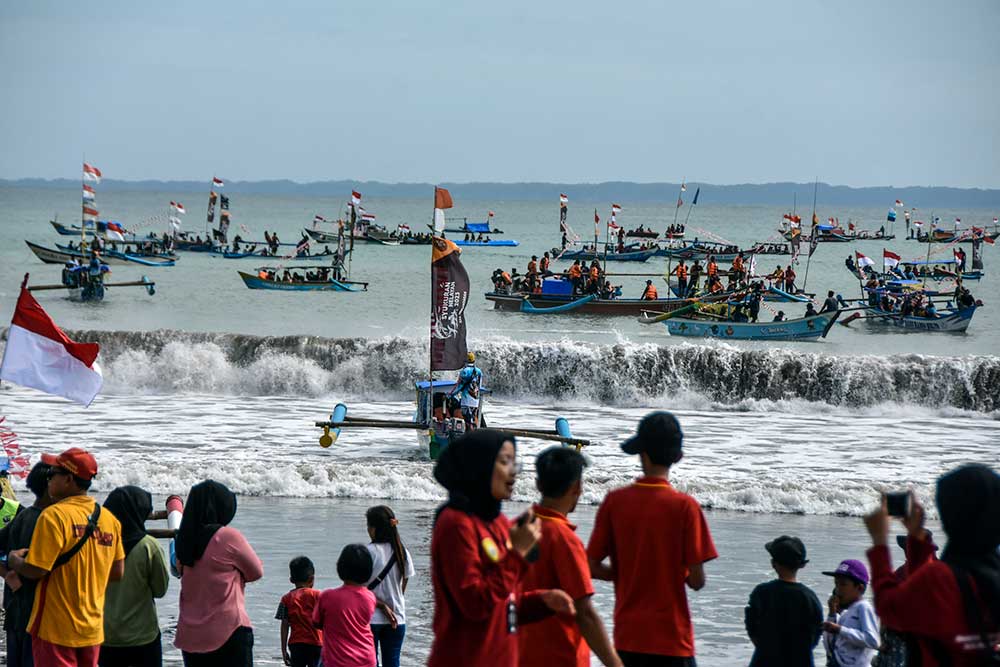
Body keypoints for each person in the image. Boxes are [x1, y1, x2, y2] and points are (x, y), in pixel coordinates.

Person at [427, 429, 575, 667]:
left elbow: (502, 602)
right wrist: (517, 555)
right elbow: (475, 604)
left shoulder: (498, 522)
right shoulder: (455, 523)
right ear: (480, 465)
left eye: (514, 462)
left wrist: (541, 601)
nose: (513, 472)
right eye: (504, 461)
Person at [587, 412, 717, 667]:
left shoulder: (615, 501)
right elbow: (698, 581)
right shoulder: (686, 507)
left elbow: (590, 565)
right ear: (678, 457)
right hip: (673, 643)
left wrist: (627, 573)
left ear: (642, 454)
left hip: (628, 640)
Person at [863, 465, 1000, 666]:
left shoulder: (940, 579)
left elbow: (889, 608)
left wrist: (879, 542)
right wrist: (918, 540)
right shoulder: (990, 572)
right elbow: (933, 605)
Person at [5, 448, 124, 667]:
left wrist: (14, 560)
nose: (48, 479)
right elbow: (117, 572)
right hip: (92, 626)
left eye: (52, 474)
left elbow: (36, 569)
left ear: (69, 479)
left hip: (55, 627)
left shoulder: (53, 516)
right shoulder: (108, 519)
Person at [518, 448, 622, 667]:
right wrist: (615, 663)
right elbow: (585, 613)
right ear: (577, 488)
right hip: (558, 656)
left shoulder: (515, 528)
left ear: (537, 484)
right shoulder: (564, 539)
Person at [174, 480, 263, 666]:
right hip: (229, 631)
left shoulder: (184, 540)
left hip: (191, 636)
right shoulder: (228, 536)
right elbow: (256, 571)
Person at [100, 486, 170, 667]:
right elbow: (160, 590)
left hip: (103, 634)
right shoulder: (149, 546)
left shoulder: (97, 543)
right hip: (142, 635)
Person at [0, 462, 52, 667]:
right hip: (40, 614)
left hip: (15, 607)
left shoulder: (22, 515)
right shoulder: (51, 521)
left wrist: (8, 576)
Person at [744, 536, 823, 667]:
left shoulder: (762, 592)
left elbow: (751, 625)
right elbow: (816, 632)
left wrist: (765, 648)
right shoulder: (810, 597)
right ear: (802, 565)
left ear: (773, 563)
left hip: (764, 660)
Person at [365, 506, 415, 667]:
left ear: (373, 529)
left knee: (369, 663)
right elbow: (402, 586)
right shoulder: (403, 552)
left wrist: (379, 604)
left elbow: (358, 591)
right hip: (397, 618)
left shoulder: (367, 552)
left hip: (369, 618)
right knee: (393, 662)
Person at [314, 544, 377, 667]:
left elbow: (316, 622)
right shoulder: (370, 597)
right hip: (366, 659)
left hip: (336, 660)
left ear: (340, 567)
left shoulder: (327, 596)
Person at [821, 559, 879, 667]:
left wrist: (840, 629)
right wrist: (832, 614)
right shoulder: (846, 614)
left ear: (860, 588)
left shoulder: (863, 607)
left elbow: (873, 640)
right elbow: (830, 647)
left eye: (843, 584)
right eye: (836, 584)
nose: (838, 589)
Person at [277, 556, 322, 667]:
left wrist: (283, 650)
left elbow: (284, 626)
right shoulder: (318, 596)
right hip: (317, 643)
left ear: (291, 580)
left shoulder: (286, 599)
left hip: (296, 644)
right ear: (312, 579)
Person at [450, 352, 484, 431]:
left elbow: (459, 386)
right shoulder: (479, 371)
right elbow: (479, 386)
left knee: (467, 421)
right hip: (475, 401)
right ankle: (474, 435)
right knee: (473, 418)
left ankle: (469, 437)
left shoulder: (464, 371)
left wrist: (451, 394)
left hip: (466, 400)